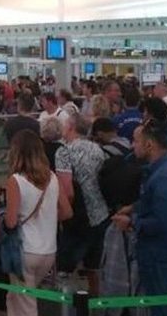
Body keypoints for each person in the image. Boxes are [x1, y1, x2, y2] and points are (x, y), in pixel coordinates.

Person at [112, 120, 167, 316]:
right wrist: (134, 207)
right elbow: (155, 203)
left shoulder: (164, 177)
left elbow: (163, 222)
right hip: (160, 253)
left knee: (160, 307)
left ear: (149, 145)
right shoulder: (166, 168)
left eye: (135, 141)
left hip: (161, 255)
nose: (132, 145)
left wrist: (132, 222)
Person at [4, 130, 72, 316]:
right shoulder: (52, 177)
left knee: (26, 303)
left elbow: (10, 222)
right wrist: (48, 217)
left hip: (25, 250)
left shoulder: (15, 181)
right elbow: (67, 212)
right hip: (48, 250)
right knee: (16, 297)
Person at [55, 113, 110, 296]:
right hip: (100, 213)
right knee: (93, 267)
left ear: (71, 127)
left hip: (78, 217)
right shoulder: (98, 149)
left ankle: (68, 306)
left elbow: (68, 191)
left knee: (66, 268)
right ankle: (98, 304)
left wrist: (61, 216)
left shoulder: (64, 152)